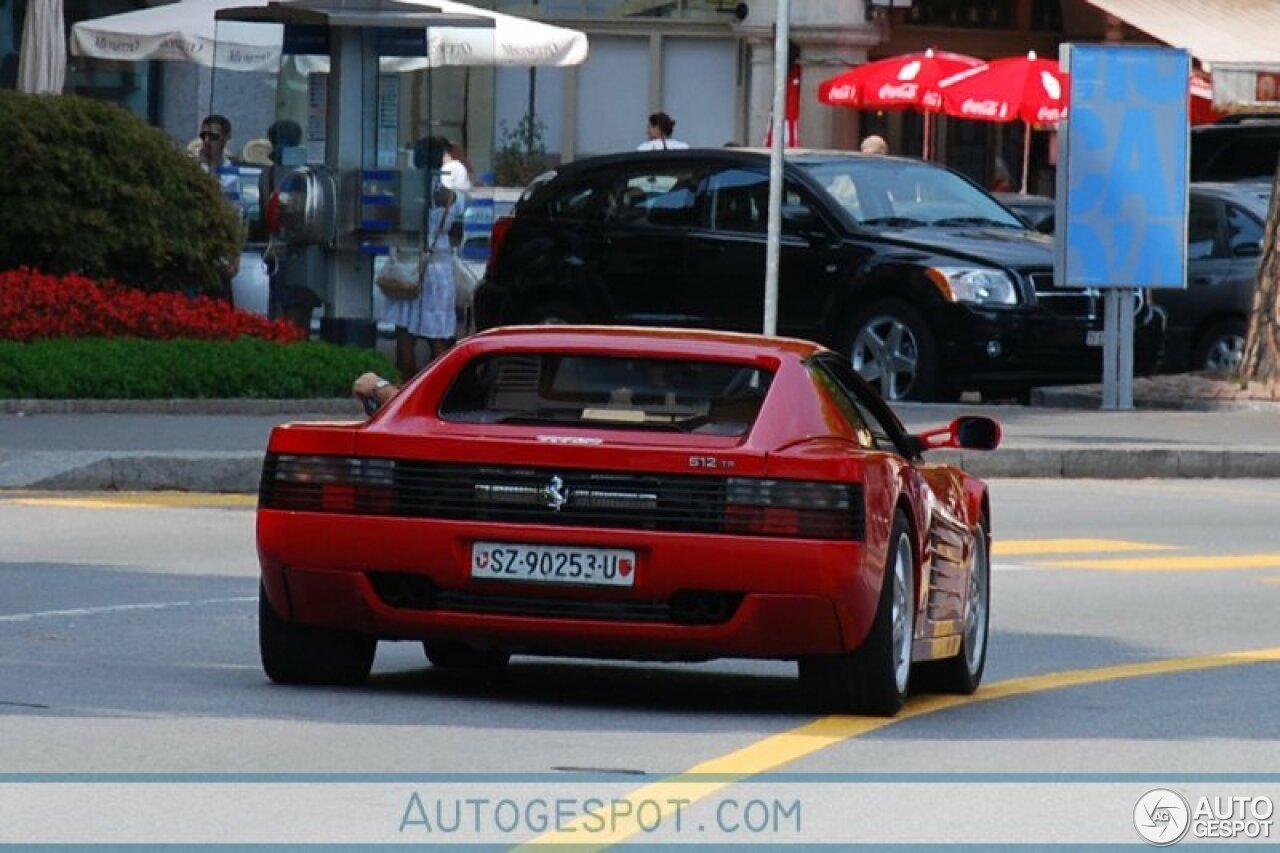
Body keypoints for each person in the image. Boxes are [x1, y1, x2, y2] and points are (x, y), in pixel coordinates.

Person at [381, 136, 471, 378]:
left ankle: (404, 385)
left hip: (409, 264)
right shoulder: (451, 193)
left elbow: (392, 220)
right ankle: (438, 385)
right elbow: (456, 233)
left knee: (405, 332)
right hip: (438, 266)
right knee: (438, 334)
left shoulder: (405, 187)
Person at [258, 120, 316, 332]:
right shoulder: (270, 174)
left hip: (297, 248)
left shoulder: (306, 173)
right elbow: (267, 212)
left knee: (296, 310)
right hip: (283, 249)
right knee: (287, 310)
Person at [197, 114, 244, 292]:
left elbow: (236, 214)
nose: (207, 141)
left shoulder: (231, 172)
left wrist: (235, 257)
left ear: (226, 138)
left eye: (214, 137)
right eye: (203, 136)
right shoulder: (192, 165)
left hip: (220, 255)